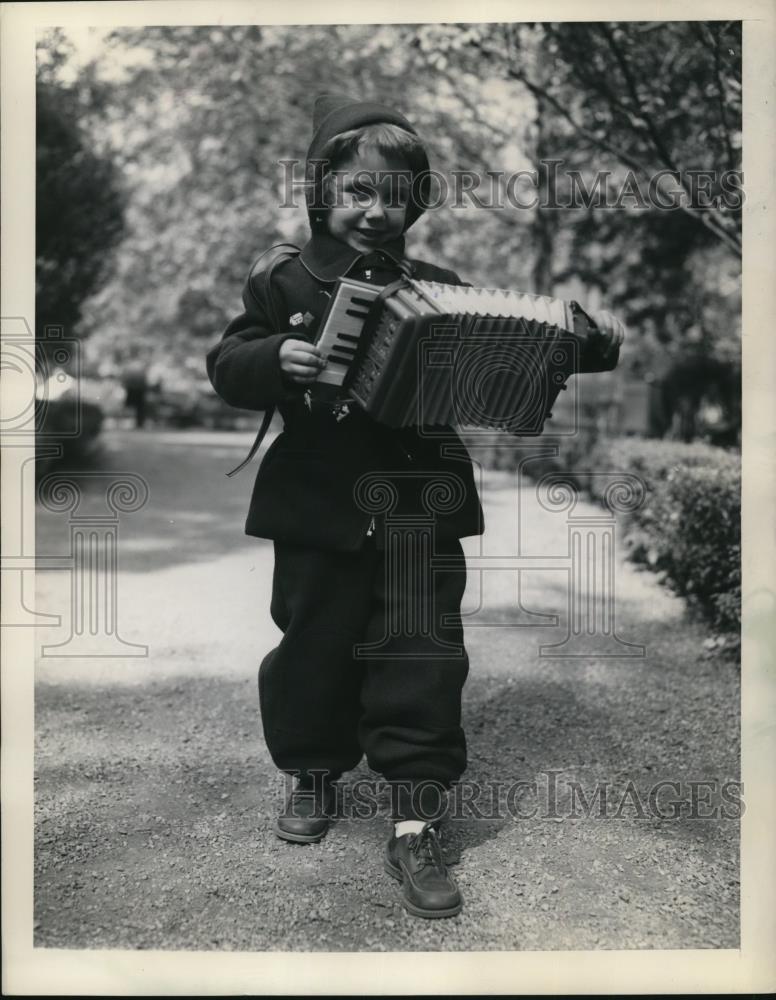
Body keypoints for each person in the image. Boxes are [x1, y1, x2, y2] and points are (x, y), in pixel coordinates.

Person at [206, 94, 624, 919]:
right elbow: (226, 360)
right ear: (321, 192)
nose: (375, 208)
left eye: (395, 194)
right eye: (357, 190)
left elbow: (515, 353)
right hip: (318, 505)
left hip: (420, 506)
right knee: (313, 645)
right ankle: (313, 774)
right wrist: (270, 358)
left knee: (423, 655)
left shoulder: (437, 290)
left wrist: (589, 343)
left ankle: (414, 816)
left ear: (416, 203)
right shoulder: (282, 278)